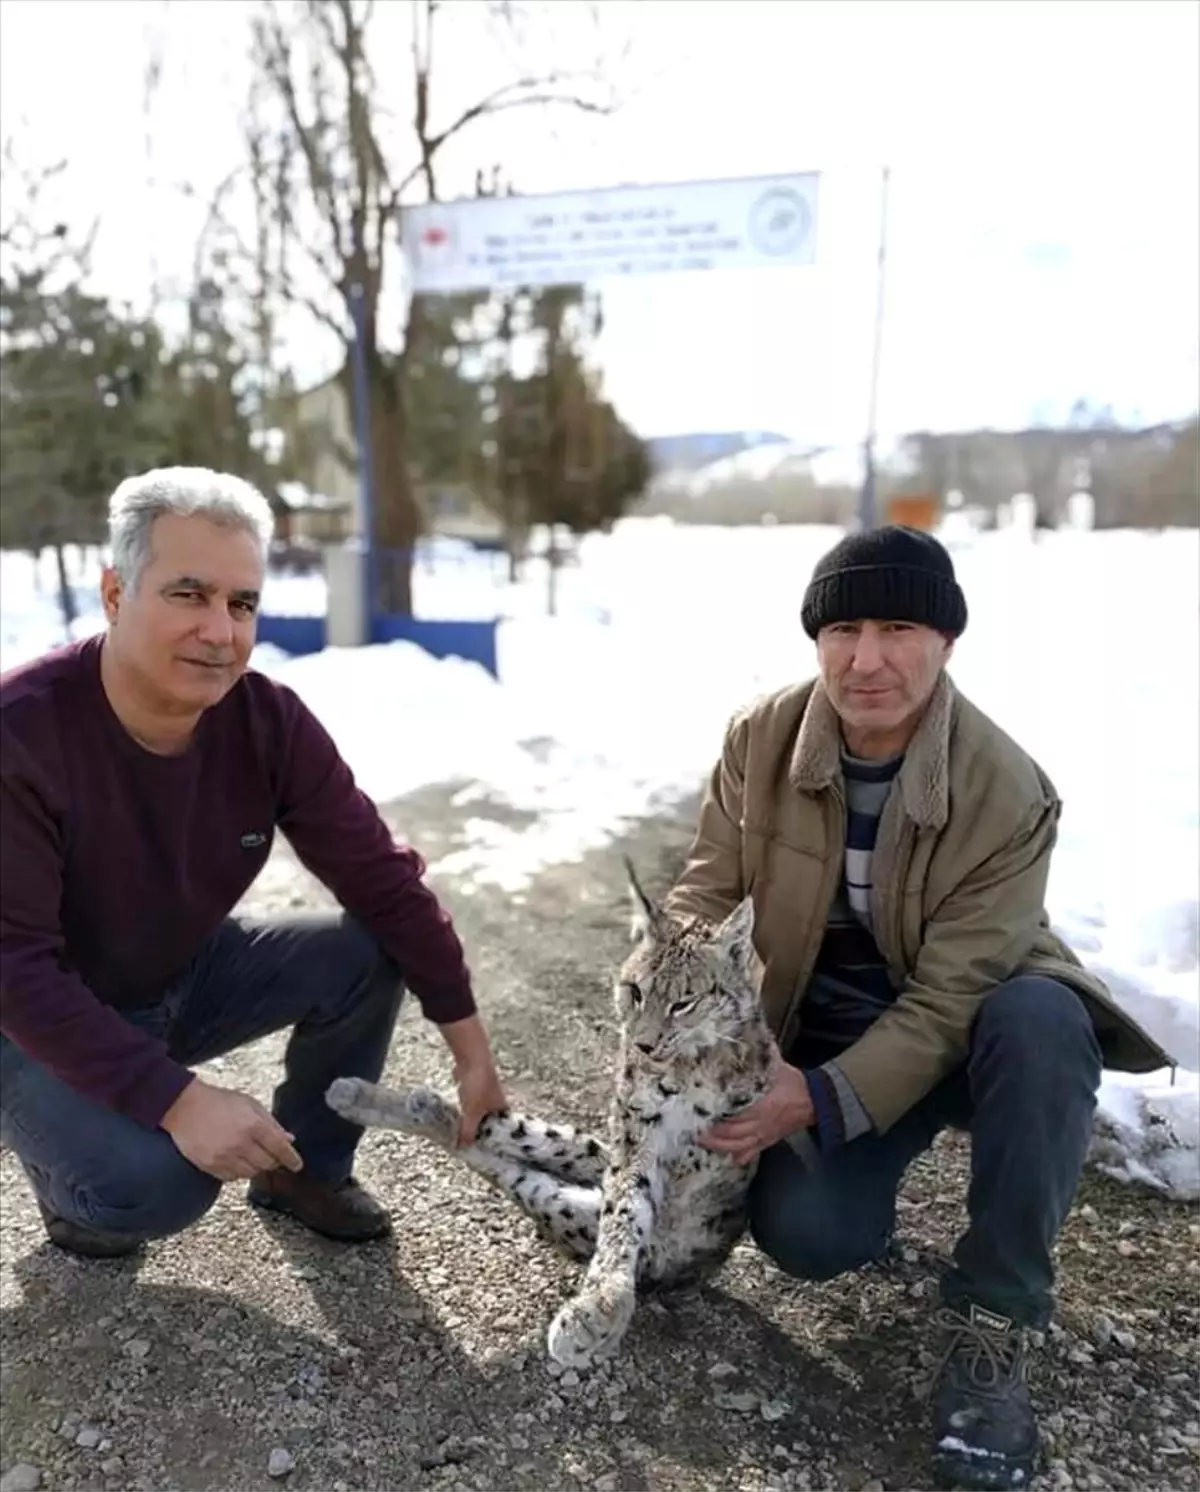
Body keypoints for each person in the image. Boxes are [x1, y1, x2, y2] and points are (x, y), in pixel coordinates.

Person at [663, 526, 1167, 1492]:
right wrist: (681, 997)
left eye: (899, 627)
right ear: (815, 641)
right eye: (844, 628)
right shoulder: (760, 737)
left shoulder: (1007, 789)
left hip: (974, 1030)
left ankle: (997, 1314)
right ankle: (867, 1172)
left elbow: (953, 995)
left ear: (945, 642)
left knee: (1044, 1023)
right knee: (811, 1240)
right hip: (830, 1027)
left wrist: (814, 1099)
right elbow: (706, 889)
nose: (868, 659)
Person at [0, 467, 508, 1261]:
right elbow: (14, 970)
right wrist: (177, 1100)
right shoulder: (19, 735)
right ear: (113, 594)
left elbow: (384, 880)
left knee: (369, 945)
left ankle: (305, 1173)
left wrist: (471, 1052)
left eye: (241, 604)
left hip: (176, 974)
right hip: (27, 1022)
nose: (221, 631)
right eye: (188, 594)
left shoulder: (267, 722)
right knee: (159, 1187)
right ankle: (71, 1185)